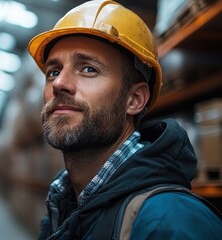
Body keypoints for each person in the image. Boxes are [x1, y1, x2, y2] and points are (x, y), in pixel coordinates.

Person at [27, 0, 222, 239]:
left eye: (88, 69)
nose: (59, 84)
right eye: (53, 72)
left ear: (134, 99)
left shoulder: (171, 222)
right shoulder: (64, 208)